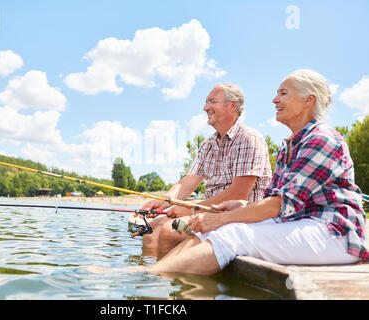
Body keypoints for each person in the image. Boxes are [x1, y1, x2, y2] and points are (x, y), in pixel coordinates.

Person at [135, 69, 368, 275]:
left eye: (283, 93)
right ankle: (153, 275)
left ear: (308, 100)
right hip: (300, 221)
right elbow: (279, 203)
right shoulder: (290, 144)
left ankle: (147, 277)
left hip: (336, 232)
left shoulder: (321, 139)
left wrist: (219, 217)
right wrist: (232, 210)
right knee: (201, 232)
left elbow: (278, 204)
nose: (275, 99)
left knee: (232, 233)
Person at [140, 83, 272, 254]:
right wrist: (164, 202)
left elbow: (238, 194)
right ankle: (154, 278)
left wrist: (190, 208)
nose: (205, 107)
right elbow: (187, 182)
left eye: (212, 102)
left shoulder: (249, 138)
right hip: (209, 212)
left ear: (232, 106)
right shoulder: (207, 144)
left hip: (242, 217)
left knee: (169, 231)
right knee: (151, 228)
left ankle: (163, 273)